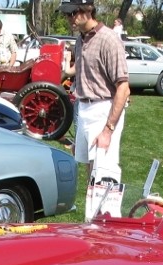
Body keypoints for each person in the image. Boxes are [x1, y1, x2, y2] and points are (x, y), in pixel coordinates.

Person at [61, 0, 129, 188]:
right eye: (67, 14)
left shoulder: (109, 39)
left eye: (73, 13)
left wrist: (108, 130)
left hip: (103, 109)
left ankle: (107, 216)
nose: (69, 19)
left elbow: (123, 88)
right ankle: (94, 217)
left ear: (88, 10)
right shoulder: (80, 40)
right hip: (83, 108)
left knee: (104, 174)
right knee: (91, 171)